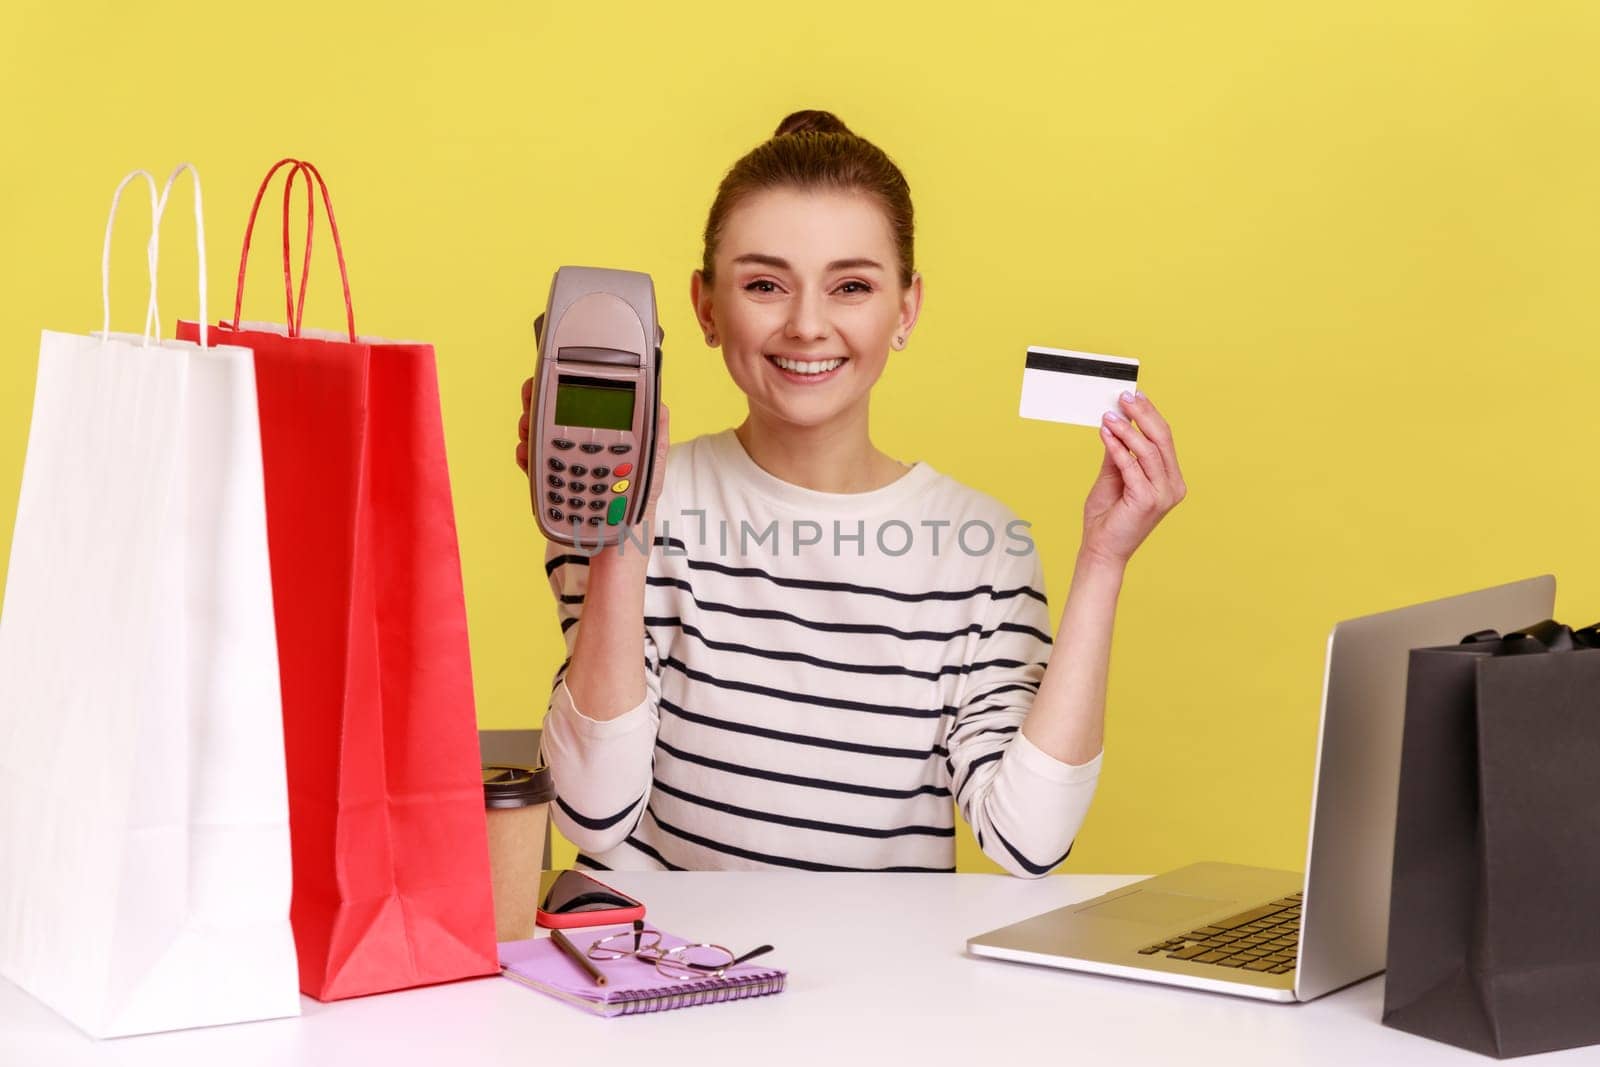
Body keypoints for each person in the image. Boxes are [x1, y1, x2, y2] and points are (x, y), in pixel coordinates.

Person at [515, 109, 1186, 876]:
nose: (807, 325)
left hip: (879, 990)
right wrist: (622, 540)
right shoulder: (627, 504)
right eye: (765, 283)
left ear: (905, 309)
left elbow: (1028, 839)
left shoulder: (983, 548)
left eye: (852, 286)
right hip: (670, 983)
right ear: (704, 307)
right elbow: (592, 813)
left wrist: (1104, 559)